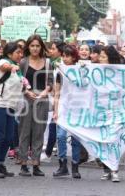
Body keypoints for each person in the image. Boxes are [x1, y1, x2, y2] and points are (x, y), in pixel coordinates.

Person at [0, 42, 24, 178]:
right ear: (9, 54)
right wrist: (11, 66)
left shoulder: (18, 69)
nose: (21, 55)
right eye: (18, 52)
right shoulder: (3, 61)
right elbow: (4, 67)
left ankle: (0, 164)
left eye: (21, 52)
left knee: (8, 137)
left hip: (10, 106)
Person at [18, 35, 53, 177]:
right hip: (26, 100)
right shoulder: (22, 62)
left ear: (41, 47)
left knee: (39, 132)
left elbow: (51, 81)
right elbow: (17, 81)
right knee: (24, 132)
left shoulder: (48, 63)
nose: (35, 48)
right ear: (28, 47)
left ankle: (36, 164)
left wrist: (46, 91)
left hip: (42, 100)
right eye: (32, 46)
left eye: (38, 46)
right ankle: (23, 164)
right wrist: (26, 91)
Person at [98, 45, 125, 182]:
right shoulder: (95, 71)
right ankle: (106, 169)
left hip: (116, 111)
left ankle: (114, 170)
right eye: (100, 56)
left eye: (103, 57)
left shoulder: (120, 72)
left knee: (113, 141)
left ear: (110, 58)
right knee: (103, 141)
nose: (100, 59)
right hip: (101, 112)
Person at [53, 44, 82, 179]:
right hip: (63, 107)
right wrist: (55, 110)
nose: (65, 58)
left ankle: (75, 166)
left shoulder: (81, 70)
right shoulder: (60, 71)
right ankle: (62, 165)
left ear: (74, 57)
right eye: (63, 56)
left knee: (76, 138)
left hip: (77, 108)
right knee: (61, 136)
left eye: (68, 56)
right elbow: (57, 93)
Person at [40, 40, 65, 163]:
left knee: (55, 127)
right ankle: (49, 152)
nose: (51, 51)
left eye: (54, 48)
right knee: (53, 126)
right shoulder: (53, 64)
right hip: (55, 99)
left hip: (64, 100)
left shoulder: (62, 65)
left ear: (60, 51)